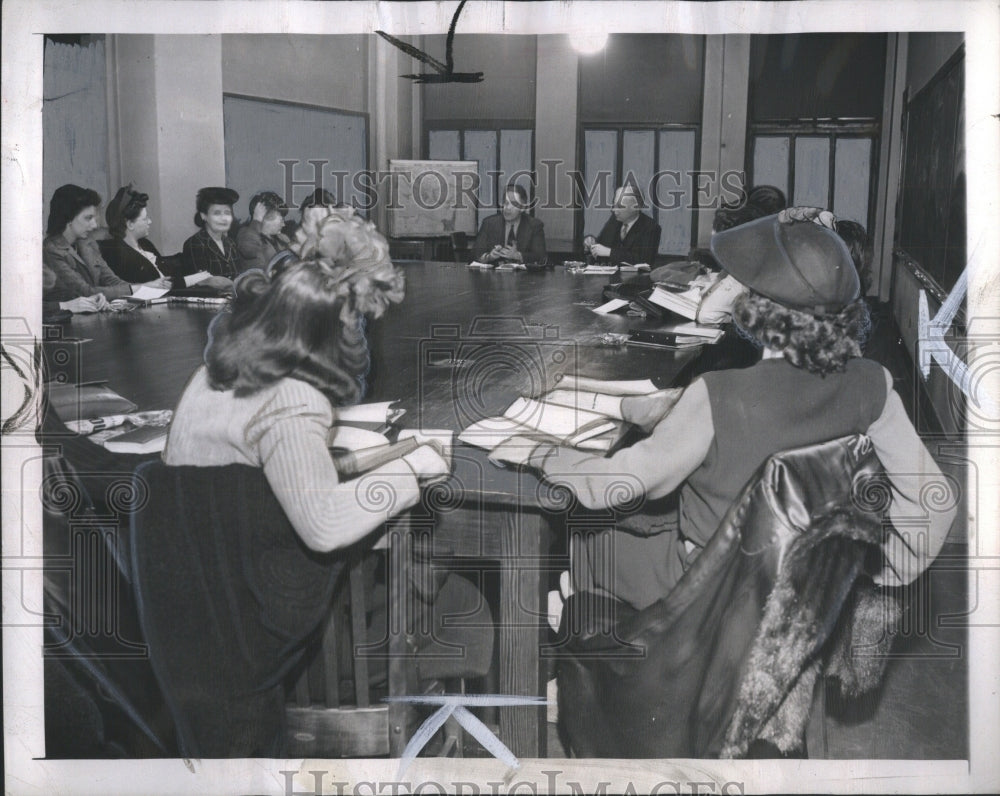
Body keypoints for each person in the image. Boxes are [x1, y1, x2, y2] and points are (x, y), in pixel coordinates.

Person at [492, 212, 955, 610]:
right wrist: (871, 579)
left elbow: (619, 484)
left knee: (587, 540)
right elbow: (936, 504)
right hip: (800, 589)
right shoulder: (873, 385)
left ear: (756, 309)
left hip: (708, 589)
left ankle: (590, 674)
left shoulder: (718, 394)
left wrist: (540, 455)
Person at [157, 209, 471, 755]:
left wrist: (364, 463)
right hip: (264, 630)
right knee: (459, 596)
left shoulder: (217, 373)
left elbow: (263, 485)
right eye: (360, 324)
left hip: (202, 612)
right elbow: (323, 526)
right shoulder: (294, 399)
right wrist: (412, 469)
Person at [43, 184, 168, 303]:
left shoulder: (88, 243)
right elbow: (85, 292)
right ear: (68, 219)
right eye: (88, 218)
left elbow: (111, 280)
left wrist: (144, 287)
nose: (94, 225)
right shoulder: (52, 250)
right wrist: (137, 288)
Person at [99, 184, 168, 283]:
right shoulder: (118, 255)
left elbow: (166, 269)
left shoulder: (145, 244)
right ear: (130, 224)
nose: (150, 221)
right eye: (145, 219)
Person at [584, 185, 661, 266]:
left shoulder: (651, 227)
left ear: (636, 207)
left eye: (619, 206)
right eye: (614, 205)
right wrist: (591, 242)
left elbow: (644, 260)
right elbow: (601, 246)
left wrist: (609, 252)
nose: (613, 210)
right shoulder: (614, 220)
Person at [472, 184, 547, 265]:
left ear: (522, 208)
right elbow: (474, 255)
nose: (507, 207)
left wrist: (518, 256)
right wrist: (489, 257)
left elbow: (541, 257)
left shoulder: (534, 225)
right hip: (494, 276)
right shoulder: (489, 223)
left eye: (514, 204)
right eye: (506, 203)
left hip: (523, 277)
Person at [179, 187, 243, 278]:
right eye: (217, 213)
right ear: (203, 216)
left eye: (227, 213)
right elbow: (200, 282)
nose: (224, 218)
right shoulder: (195, 243)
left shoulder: (231, 243)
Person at [235, 190, 292, 273]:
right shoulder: (246, 235)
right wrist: (256, 221)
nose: (283, 224)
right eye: (281, 219)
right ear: (264, 218)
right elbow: (253, 256)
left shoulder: (282, 239)